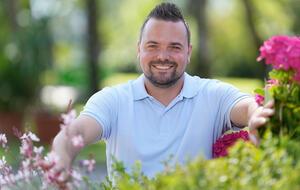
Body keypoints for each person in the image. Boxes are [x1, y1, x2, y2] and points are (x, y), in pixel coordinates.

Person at [52, 2, 274, 178]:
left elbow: (245, 106)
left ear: (188, 52)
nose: (163, 56)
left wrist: (256, 115)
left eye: (174, 47)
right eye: (153, 46)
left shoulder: (212, 95)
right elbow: (75, 133)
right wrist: (60, 162)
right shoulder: (113, 100)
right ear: (139, 50)